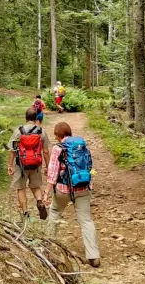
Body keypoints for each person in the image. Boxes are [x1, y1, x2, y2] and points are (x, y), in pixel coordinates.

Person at [47, 121, 100, 267]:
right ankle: (94, 256)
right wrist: (90, 185)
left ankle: (47, 247)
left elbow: (52, 174)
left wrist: (46, 193)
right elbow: (90, 167)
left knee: (55, 211)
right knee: (86, 221)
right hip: (82, 188)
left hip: (63, 190)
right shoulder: (82, 146)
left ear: (58, 135)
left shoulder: (58, 148)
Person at [7, 108, 50, 220]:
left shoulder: (18, 131)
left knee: (21, 189)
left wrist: (10, 165)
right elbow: (45, 151)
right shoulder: (41, 131)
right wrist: (47, 166)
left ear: (26, 118)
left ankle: (25, 212)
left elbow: (12, 150)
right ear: (36, 118)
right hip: (36, 165)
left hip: (21, 165)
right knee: (36, 186)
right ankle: (39, 202)